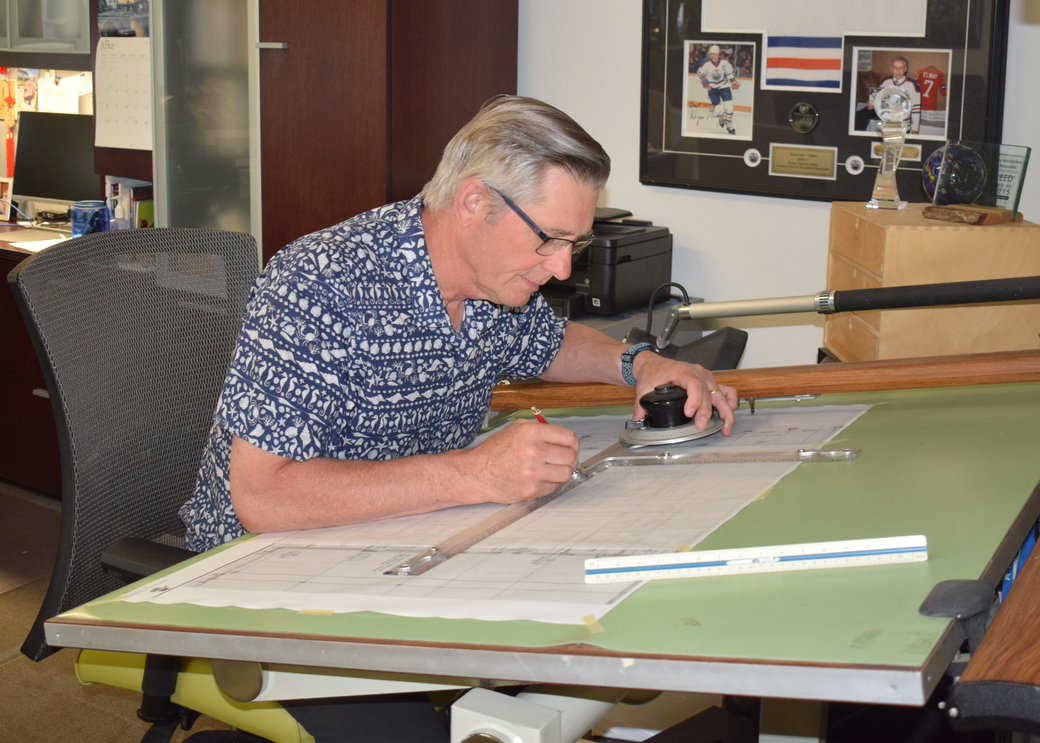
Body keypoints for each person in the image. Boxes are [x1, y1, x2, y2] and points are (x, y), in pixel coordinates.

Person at [180, 94, 738, 741]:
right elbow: (262, 496)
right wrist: (473, 474)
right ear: (474, 203)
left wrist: (639, 364)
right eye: (550, 239)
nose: (561, 267)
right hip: (259, 581)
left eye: (574, 244)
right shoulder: (320, 284)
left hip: (404, 554)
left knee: (603, 636)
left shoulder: (492, 285)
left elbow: (550, 343)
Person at [867, 55, 922, 134]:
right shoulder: (885, 82)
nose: (898, 70)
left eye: (901, 68)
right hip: (886, 123)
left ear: (905, 69)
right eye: (895, 67)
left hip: (903, 125)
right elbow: (879, 101)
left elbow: (916, 109)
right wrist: (872, 104)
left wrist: (915, 129)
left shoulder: (912, 85)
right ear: (891, 68)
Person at [696, 44, 739, 134]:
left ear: (718, 54)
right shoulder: (706, 64)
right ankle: (721, 116)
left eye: (715, 54)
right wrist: (704, 81)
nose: (713, 56)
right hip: (713, 90)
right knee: (719, 110)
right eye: (711, 54)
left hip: (724, 87)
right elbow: (699, 73)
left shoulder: (725, 63)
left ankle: (729, 125)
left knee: (730, 109)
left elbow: (730, 74)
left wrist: (733, 82)